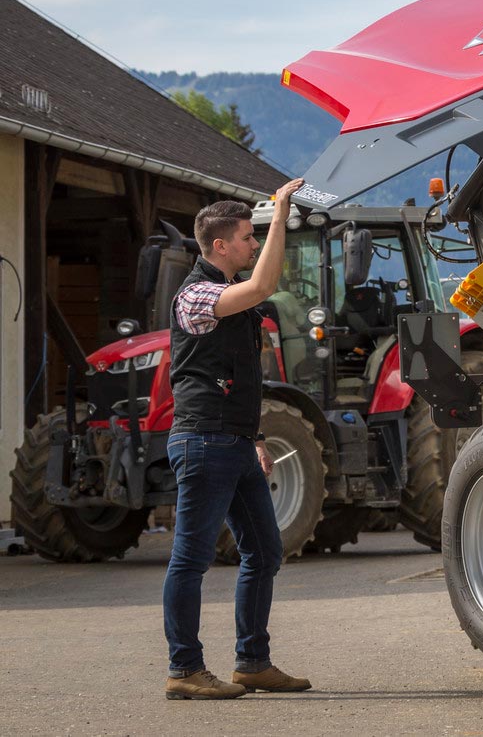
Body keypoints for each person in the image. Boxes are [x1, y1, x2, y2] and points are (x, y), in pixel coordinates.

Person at [162, 179, 313, 700]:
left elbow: (238, 375)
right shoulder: (198, 295)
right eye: (248, 237)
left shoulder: (228, 296)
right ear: (220, 246)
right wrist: (280, 212)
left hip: (234, 442)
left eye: (256, 236)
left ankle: (253, 662)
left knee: (265, 553)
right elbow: (263, 286)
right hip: (203, 442)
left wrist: (254, 438)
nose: (254, 245)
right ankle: (184, 670)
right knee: (191, 558)